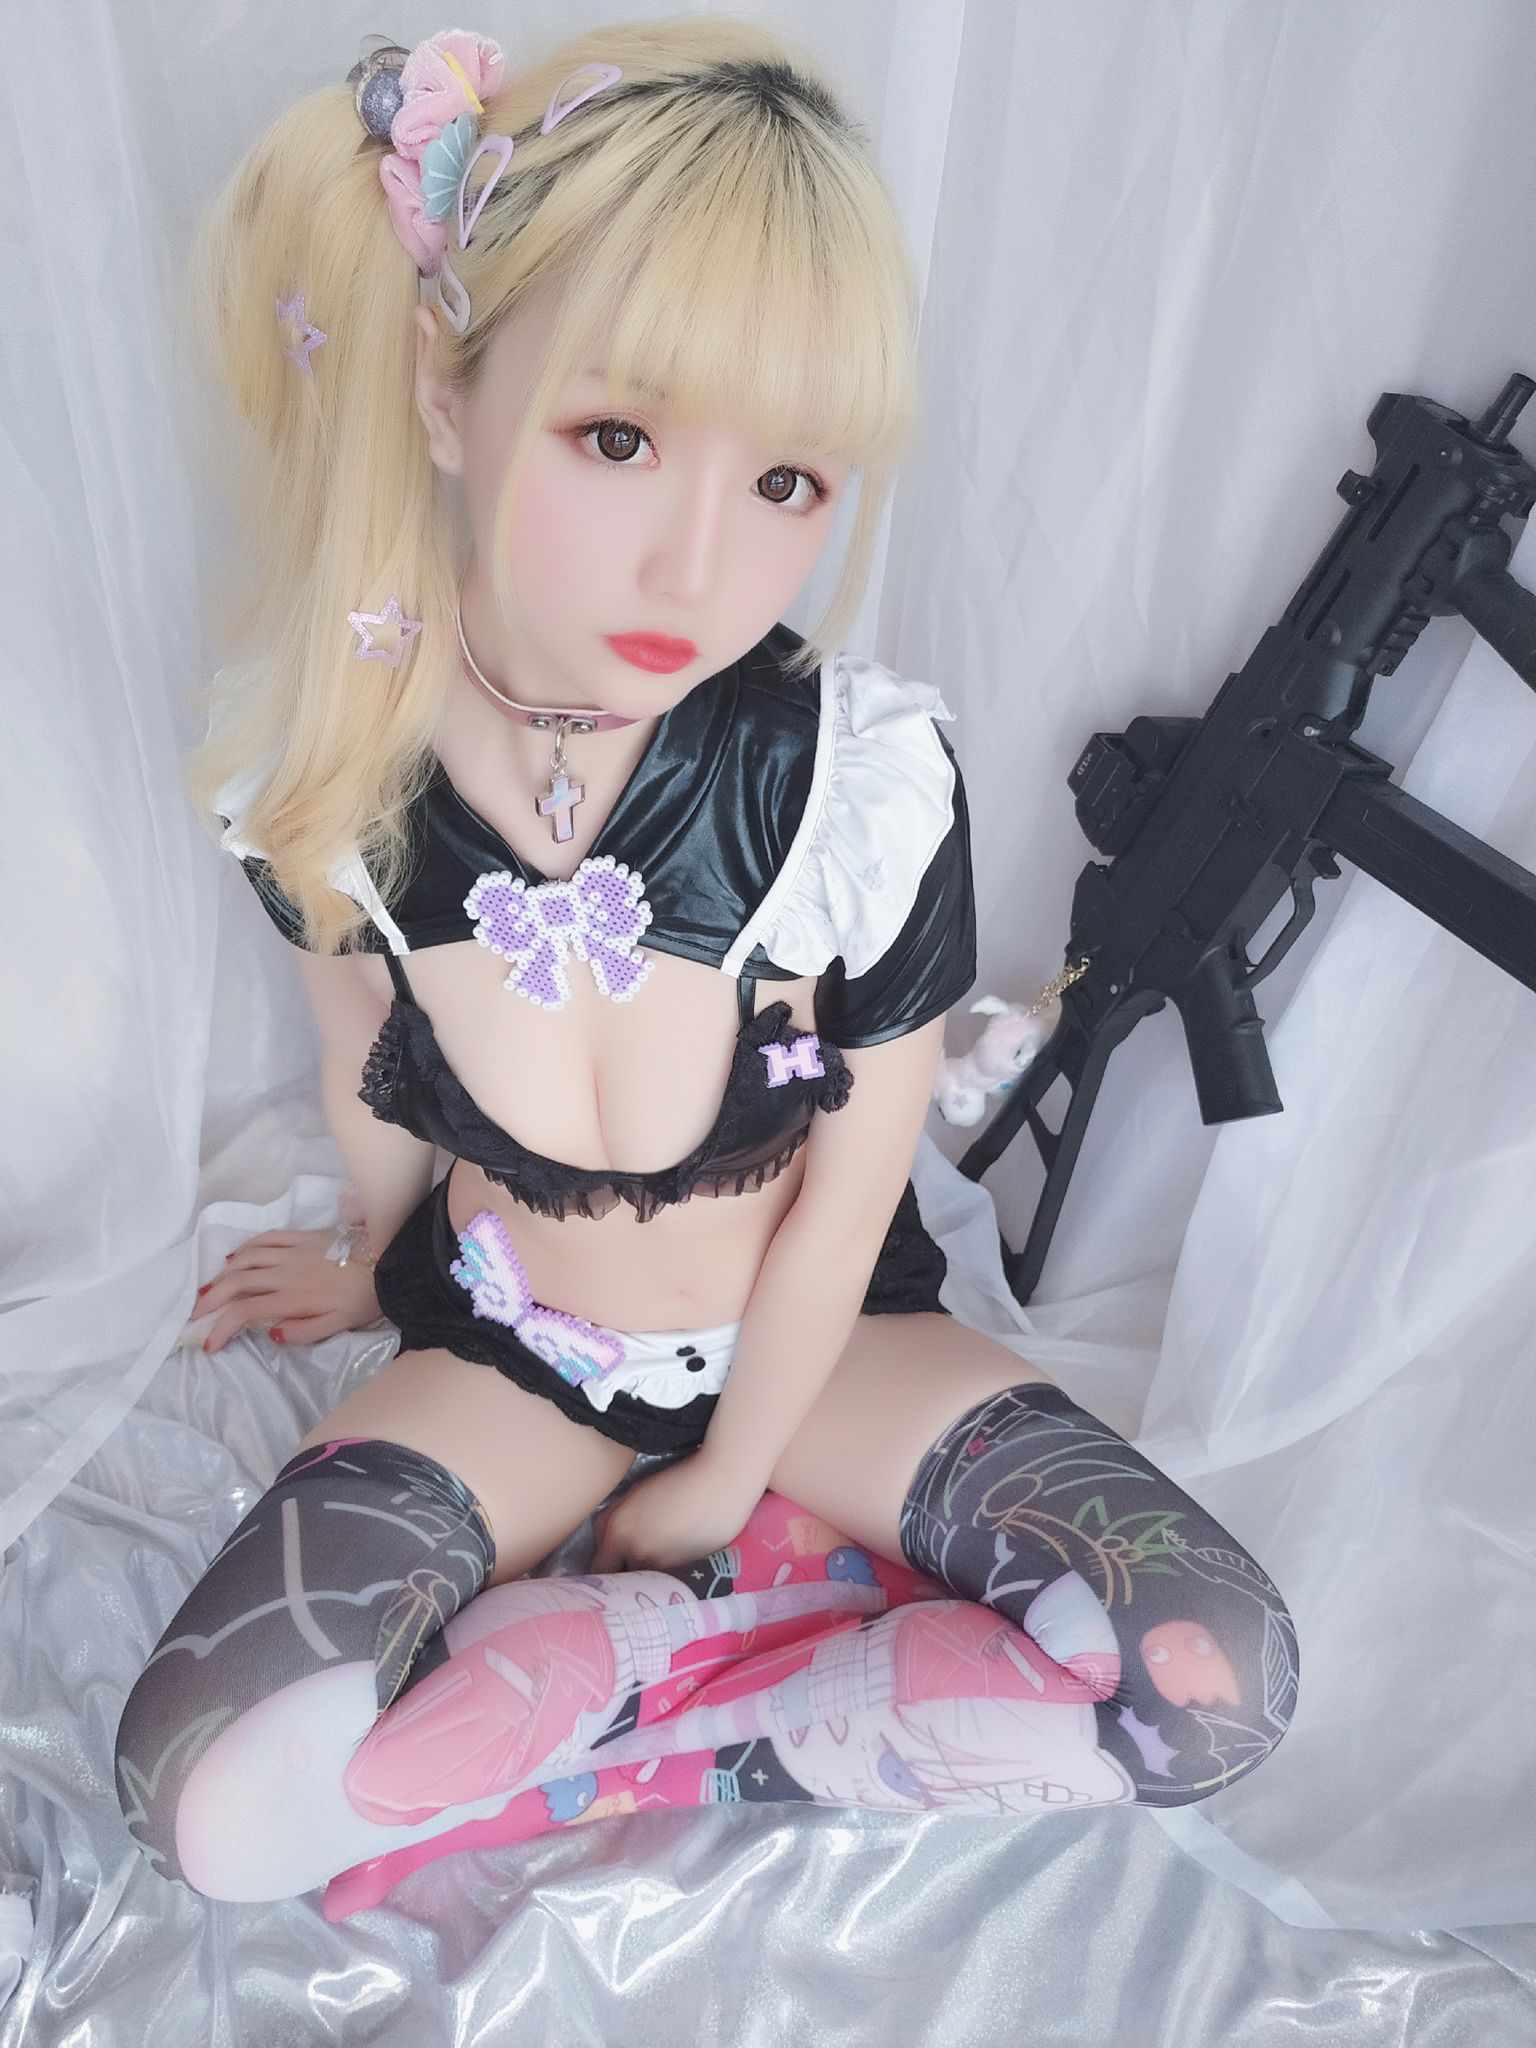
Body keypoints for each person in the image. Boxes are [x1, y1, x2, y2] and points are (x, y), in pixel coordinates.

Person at [113, 19, 1299, 1909]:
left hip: (822, 1355)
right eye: (620, 438)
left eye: (790, 482)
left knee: (1209, 1676)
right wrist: (370, 1263)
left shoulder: (854, 781)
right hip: (515, 1350)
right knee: (200, 1796)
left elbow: (850, 1194)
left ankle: (629, 1670)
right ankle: (772, 1661)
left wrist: (725, 1487)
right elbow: (368, 1071)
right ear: (445, 391)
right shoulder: (330, 783)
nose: (703, 568)